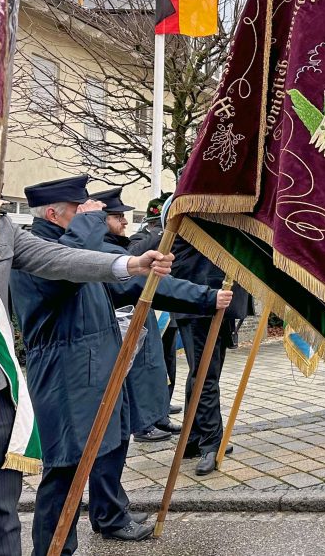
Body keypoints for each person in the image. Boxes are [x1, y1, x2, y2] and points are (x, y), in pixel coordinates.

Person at [9, 175, 175, 553]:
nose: (90, 218)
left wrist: (206, 297)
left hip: (94, 369)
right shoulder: (37, 251)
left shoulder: (74, 243)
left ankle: (110, 518)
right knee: (65, 470)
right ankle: (53, 551)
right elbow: (67, 269)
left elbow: (122, 277)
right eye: (77, 211)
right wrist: (90, 221)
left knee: (109, 447)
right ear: (52, 214)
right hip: (64, 375)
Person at [90, 188, 230, 447]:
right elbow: (147, 282)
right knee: (119, 409)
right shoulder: (110, 248)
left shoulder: (112, 245)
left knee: (167, 370)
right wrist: (207, 297)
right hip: (132, 329)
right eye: (117, 217)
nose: (124, 222)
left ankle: (164, 420)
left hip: (151, 322)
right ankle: (158, 427)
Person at [171, 232, 250, 475]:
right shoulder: (197, 207)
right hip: (201, 301)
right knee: (205, 375)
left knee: (201, 374)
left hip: (214, 299)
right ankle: (210, 442)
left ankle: (192, 438)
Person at [127, 194, 182, 416]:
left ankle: (163, 406)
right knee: (148, 363)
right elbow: (132, 254)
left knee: (168, 361)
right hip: (149, 310)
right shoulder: (139, 237)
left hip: (168, 311)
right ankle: (149, 414)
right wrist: (165, 230)